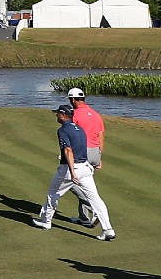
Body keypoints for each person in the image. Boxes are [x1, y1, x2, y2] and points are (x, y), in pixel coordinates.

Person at [33, 101, 114, 239]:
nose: (57, 116)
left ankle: (45, 221)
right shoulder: (79, 129)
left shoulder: (63, 130)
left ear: (64, 115)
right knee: (95, 199)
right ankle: (108, 229)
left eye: (58, 113)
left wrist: (72, 171)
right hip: (85, 168)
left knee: (53, 194)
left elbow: (68, 150)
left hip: (70, 169)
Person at [64, 87, 106, 227]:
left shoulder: (74, 114)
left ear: (73, 100)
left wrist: (67, 152)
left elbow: (71, 133)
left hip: (82, 152)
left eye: (71, 99)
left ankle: (94, 209)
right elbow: (101, 136)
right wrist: (99, 157)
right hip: (95, 153)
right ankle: (83, 218)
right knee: (85, 182)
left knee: (71, 181)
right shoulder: (95, 114)